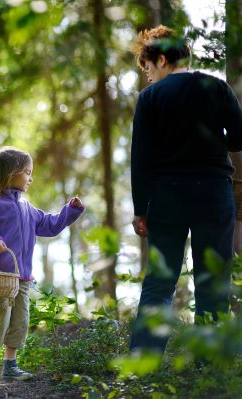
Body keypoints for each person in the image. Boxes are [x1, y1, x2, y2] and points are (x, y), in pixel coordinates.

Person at [130, 25, 242, 354]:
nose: (148, 77)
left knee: (160, 281)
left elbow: (141, 159)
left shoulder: (149, 98)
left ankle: (145, 359)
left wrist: (140, 209)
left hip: (167, 196)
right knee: (213, 279)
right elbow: (238, 139)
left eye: (148, 68)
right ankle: (209, 364)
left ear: (162, 60)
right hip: (213, 194)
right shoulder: (216, 87)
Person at [0, 147, 85, 382]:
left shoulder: (27, 207)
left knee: (20, 322)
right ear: (12, 173)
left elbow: (50, 225)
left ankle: (10, 365)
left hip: (22, 279)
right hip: (1, 277)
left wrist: (70, 211)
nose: (31, 178)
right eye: (27, 173)